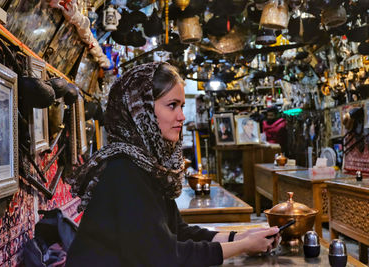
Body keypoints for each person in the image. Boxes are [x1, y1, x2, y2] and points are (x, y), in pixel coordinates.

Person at [66, 62, 279, 266]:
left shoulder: (147, 164)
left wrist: (239, 237)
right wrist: (243, 246)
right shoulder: (124, 170)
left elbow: (178, 232)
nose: (182, 116)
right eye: (172, 106)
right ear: (140, 111)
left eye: (182, 106)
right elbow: (164, 257)